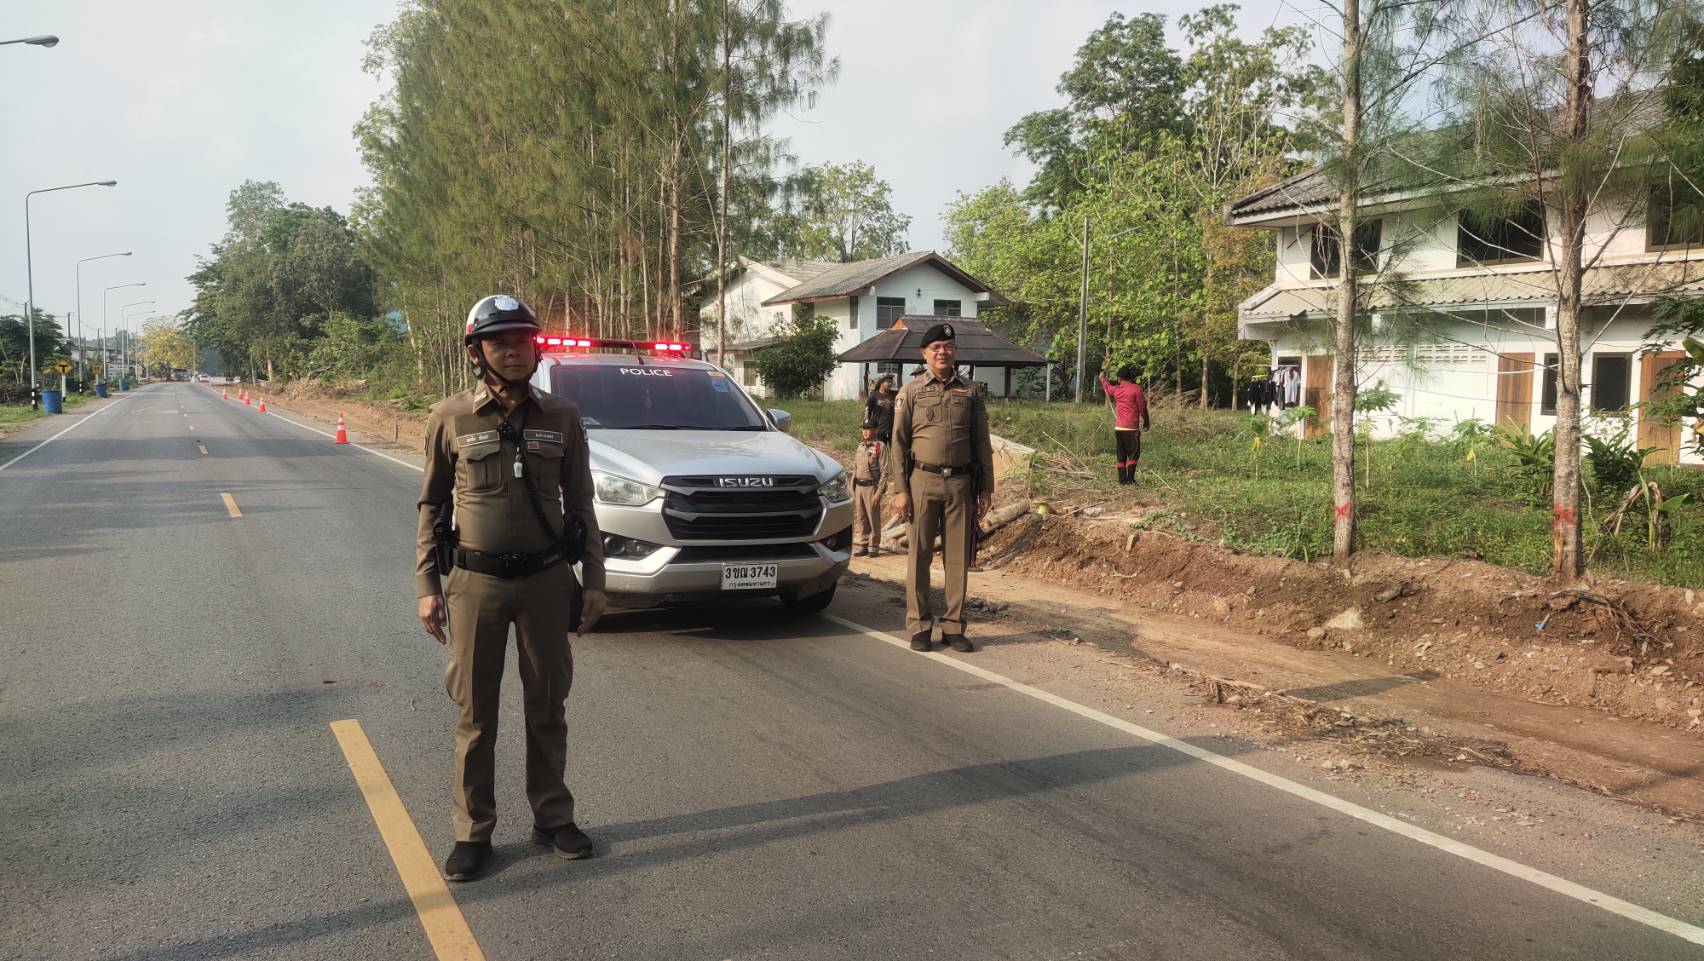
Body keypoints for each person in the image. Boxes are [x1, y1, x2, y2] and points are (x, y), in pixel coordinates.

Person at [415, 294, 608, 883]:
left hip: (547, 582)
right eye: (499, 342)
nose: (514, 351)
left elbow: (582, 504)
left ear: (535, 348)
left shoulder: (563, 416)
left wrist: (594, 580)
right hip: (476, 584)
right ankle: (473, 831)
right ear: (477, 352)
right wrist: (427, 583)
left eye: (523, 340)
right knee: (476, 712)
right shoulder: (450, 417)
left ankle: (553, 817)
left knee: (548, 705)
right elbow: (432, 504)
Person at [889, 323, 994, 654]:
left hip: (961, 484)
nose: (942, 352)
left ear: (955, 351)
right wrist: (900, 489)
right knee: (919, 557)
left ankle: (953, 626)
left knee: (957, 559)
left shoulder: (971, 391)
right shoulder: (911, 392)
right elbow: (898, 443)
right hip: (922, 481)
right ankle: (920, 625)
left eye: (948, 346)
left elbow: (981, 441)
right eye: (935, 347)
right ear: (924, 353)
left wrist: (986, 488)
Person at [1097, 364, 1151, 485]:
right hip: (1131, 428)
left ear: (1119, 378)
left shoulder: (1117, 390)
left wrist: (1102, 378)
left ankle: (1122, 480)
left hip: (1119, 428)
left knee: (1121, 455)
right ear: (1130, 377)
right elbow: (1142, 407)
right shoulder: (1136, 389)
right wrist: (1146, 421)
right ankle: (1130, 480)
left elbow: (1107, 387)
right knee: (1133, 455)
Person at [852, 418, 885, 556]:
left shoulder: (879, 447)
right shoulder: (860, 446)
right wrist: (852, 488)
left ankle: (874, 547)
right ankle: (864, 545)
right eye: (864, 429)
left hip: (871, 487)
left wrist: (878, 493)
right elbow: (855, 468)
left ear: (876, 430)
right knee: (862, 518)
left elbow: (885, 472)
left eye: (869, 428)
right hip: (859, 487)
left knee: (873, 518)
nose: (865, 431)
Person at [864, 374, 896, 443]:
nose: (890, 384)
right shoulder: (873, 396)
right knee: (879, 449)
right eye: (888, 382)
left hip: (893, 430)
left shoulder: (895, 394)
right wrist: (867, 426)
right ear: (881, 382)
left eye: (891, 382)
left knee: (894, 449)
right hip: (879, 430)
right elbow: (867, 411)